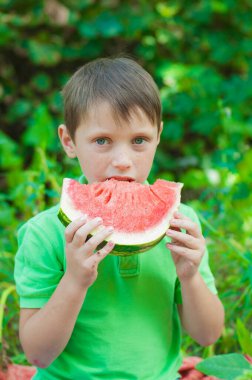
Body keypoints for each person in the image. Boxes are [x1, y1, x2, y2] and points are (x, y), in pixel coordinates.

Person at [14, 57, 224, 380]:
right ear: (69, 141)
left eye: (139, 140)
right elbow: (38, 353)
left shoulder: (180, 224)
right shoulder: (44, 234)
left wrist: (191, 276)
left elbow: (208, 335)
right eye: (102, 141)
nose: (123, 161)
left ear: (158, 136)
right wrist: (74, 281)